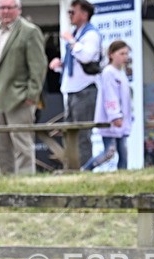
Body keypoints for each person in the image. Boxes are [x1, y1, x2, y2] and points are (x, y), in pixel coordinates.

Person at [0, 0, 47, 175]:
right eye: (2, 7)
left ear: (19, 9)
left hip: (19, 97)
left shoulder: (30, 31)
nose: (6, 11)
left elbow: (38, 66)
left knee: (22, 143)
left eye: (10, 7)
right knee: (0, 144)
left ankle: (25, 181)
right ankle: (6, 180)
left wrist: (32, 95)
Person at [48, 0, 102, 168]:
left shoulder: (91, 34)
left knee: (82, 134)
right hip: (72, 89)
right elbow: (74, 65)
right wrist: (60, 66)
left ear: (84, 14)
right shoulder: (77, 34)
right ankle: (71, 168)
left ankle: (84, 169)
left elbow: (86, 57)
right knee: (70, 133)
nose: (69, 15)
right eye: (69, 12)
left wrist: (71, 41)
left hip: (85, 89)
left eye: (73, 12)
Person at [81, 41, 132, 171]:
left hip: (122, 119)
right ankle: (86, 169)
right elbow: (110, 95)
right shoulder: (108, 72)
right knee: (109, 151)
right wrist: (115, 115)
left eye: (126, 54)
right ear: (111, 54)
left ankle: (123, 174)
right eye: (121, 53)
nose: (125, 57)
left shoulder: (121, 72)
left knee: (123, 152)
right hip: (112, 120)